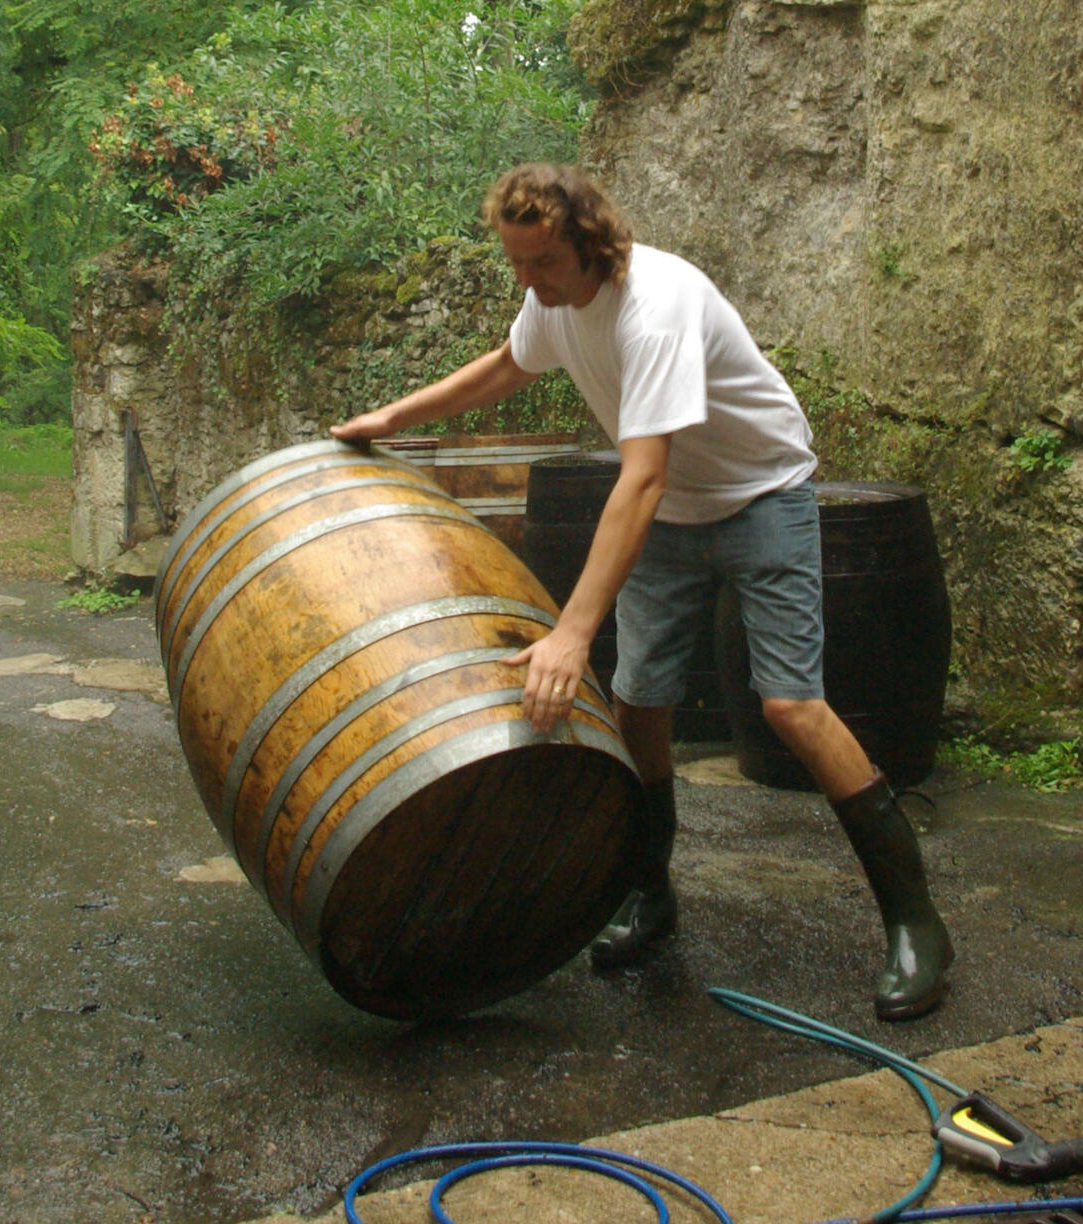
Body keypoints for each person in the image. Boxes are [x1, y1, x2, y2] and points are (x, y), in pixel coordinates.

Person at [333, 163, 954, 1019]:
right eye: (515, 263)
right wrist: (394, 419)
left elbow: (643, 477)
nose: (528, 282)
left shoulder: (655, 306)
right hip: (673, 512)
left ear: (590, 244)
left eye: (542, 263)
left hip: (762, 494)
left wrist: (570, 633)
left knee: (791, 707)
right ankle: (651, 896)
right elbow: (508, 366)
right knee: (640, 700)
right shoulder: (552, 298)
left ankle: (915, 922)